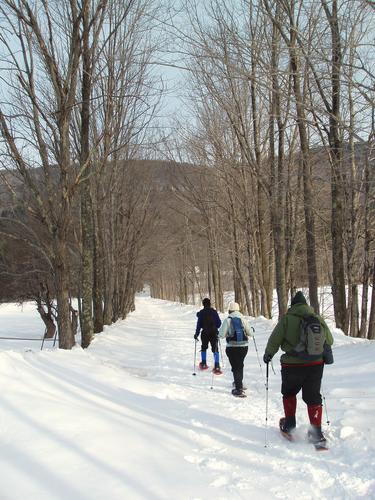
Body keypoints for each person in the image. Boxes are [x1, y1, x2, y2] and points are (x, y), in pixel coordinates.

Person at [263, 291, 334, 445]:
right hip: (315, 365)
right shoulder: (317, 319)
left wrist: (268, 354)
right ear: (306, 305)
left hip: (292, 365)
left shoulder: (287, 319)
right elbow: (330, 340)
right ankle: (316, 433)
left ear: (293, 305)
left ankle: (289, 426)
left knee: (289, 393)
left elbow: (275, 339)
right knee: (313, 396)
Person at [218, 301, 253, 397]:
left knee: (235, 366)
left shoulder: (228, 320)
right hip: (244, 347)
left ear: (230, 310)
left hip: (232, 347)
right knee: (240, 365)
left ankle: (238, 389)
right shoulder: (244, 319)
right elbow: (251, 333)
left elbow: (221, 335)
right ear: (238, 309)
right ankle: (238, 383)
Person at [194, 297, 222, 374]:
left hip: (205, 333)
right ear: (210, 304)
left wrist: (196, 334)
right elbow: (219, 324)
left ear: (203, 304)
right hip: (214, 333)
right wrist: (214, 326)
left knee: (204, 347)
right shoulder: (214, 312)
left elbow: (198, 325)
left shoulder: (201, 313)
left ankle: (203, 363)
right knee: (215, 348)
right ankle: (216, 365)